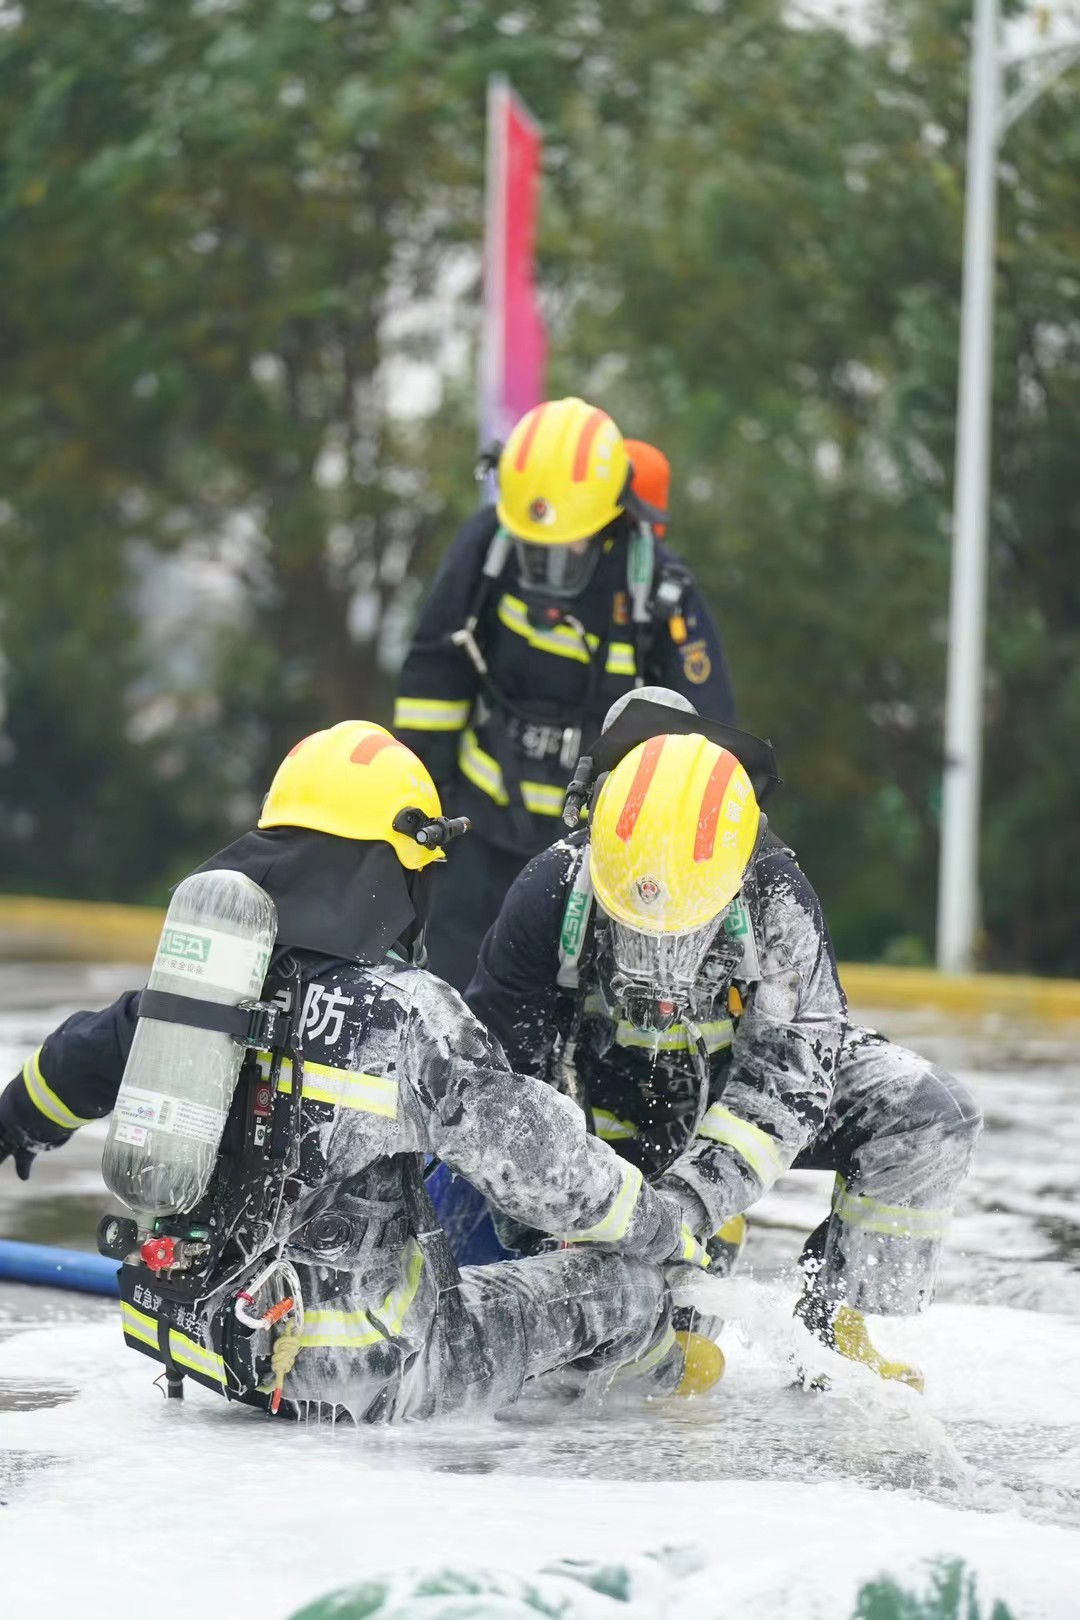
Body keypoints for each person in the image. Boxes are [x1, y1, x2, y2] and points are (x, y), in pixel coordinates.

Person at [0, 720, 713, 1422]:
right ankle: (670, 1391)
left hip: (221, 1346)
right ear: (392, 869)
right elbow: (544, 1169)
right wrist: (660, 1231)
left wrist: (14, 1128)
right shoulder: (407, 1016)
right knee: (626, 1288)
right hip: (375, 1372)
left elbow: (80, 1057)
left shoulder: (210, 988)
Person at [465, 695, 983, 1390]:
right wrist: (568, 1226)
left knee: (929, 1114)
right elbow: (503, 1092)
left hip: (727, 1104)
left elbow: (788, 1084)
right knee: (661, 1363)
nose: (656, 953)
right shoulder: (550, 890)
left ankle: (839, 1317)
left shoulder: (779, 901)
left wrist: (692, 1203)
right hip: (607, 1136)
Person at [394, 398, 736, 991]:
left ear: (611, 519)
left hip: (595, 852)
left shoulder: (657, 587)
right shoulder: (488, 547)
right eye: (534, 548)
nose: (546, 568)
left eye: (566, 547)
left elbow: (709, 739)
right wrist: (423, 813)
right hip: (479, 828)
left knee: (568, 1014)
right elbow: (433, 679)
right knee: (446, 998)